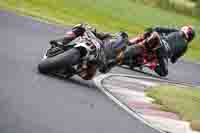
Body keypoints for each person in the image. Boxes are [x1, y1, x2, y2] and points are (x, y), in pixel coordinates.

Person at [50, 24, 128, 79]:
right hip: (92, 48)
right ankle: (62, 42)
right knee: (81, 27)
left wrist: (107, 63)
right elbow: (96, 33)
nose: (118, 43)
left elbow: (104, 70)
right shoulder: (108, 37)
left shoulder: (118, 57)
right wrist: (90, 30)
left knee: (88, 76)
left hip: (95, 63)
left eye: (121, 43)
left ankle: (74, 70)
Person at [124, 25, 195, 77]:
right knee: (164, 73)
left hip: (159, 42)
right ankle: (151, 64)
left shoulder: (176, 31)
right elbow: (173, 60)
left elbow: (158, 28)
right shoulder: (185, 46)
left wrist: (153, 30)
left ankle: (129, 42)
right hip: (163, 52)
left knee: (147, 34)